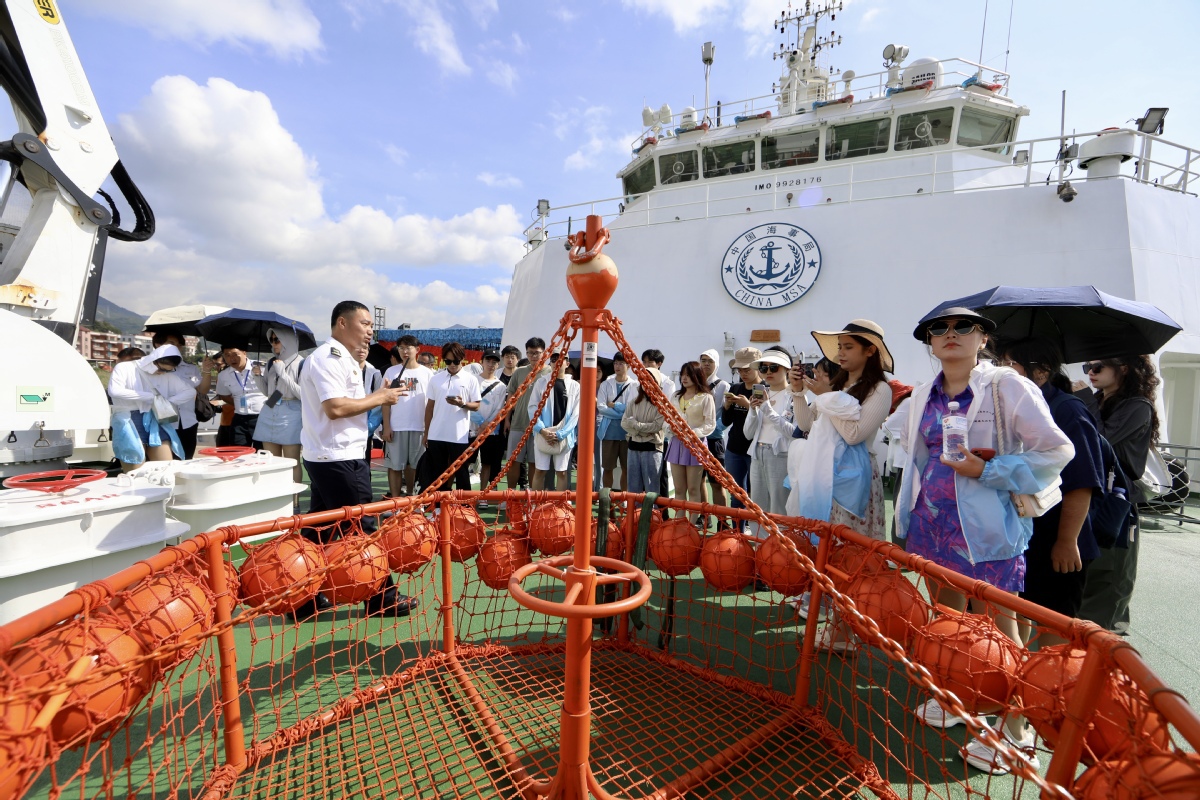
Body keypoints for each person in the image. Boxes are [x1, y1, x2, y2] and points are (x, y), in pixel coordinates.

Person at [893, 307, 1072, 772]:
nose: (950, 335)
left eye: (963, 327)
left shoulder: (1006, 386)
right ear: (929, 342)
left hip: (987, 530)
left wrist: (988, 469)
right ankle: (954, 699)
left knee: (1000, 626)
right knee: (947, 619)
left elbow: (1056, 450)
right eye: (939, 329)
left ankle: (1015, 732)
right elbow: (910, 454)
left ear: (983, 338)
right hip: (930, 526)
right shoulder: (921, 395)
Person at [298, 300, 415, 620]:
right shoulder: (327, 358)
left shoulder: (344, 360)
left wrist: (379, 393)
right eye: (365, 324)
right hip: (337, 457)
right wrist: (382, 397)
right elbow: (335, 408)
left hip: (335, 453)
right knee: (362, 526)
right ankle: (382, 597)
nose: (370, 331)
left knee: (319, 529)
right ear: (342, 323)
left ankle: (300, 596)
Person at [788, 320, 894, 648]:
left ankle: (845, 629)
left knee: (853, 558)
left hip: (854, 482)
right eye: (840, 347)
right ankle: (838, 626)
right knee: (830, 554)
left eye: (849, 346)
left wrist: (826, 396)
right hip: (823, 477)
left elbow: (854, 434)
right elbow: (807, 425)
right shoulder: (837, 386)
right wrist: (799, 394)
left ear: (870, 350)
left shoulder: (881, 389)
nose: (841, 353)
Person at [997, 339, 1104, 644]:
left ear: (1041, 371)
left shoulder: (1067, 409)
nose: (1001, 372)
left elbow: (1082, 482)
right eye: (999, 364)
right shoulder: (1013, 406)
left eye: (1009, 364)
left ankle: (1051, 689)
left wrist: (1067, 541)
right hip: (1026, 533)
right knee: (1021, 613)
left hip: (1058, 538)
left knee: (1054, 626)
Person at [1076, 355, 1160, 636]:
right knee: (1085, 575)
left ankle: (1104, 650)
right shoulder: (1100, 401)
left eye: (1098, 367)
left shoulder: (1138, 406)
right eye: (1088, 367)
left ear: (1123, 367)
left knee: (1108, 579)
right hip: (1092, 497)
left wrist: (1084, 399)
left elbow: (1099, 439)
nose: (1091, 372)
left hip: (1117, 504)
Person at [108, 345, 190, 471]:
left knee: (166, 469)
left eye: (168, 370)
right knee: (135, 470)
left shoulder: (167, 375)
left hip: (155, 419)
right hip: (128, 418)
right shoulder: (125, 367)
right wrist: (150, 397)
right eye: (162, 369)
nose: (163, 373)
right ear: (154, 360)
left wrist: (168, 402)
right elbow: (114, 391)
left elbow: (190, 392)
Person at [743, 349, 795, 533]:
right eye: (764, 368)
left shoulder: (794, 396)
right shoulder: (762, 393)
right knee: (757, 505)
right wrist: (753, 410)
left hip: (781, 455)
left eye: (774, 367)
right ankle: (761, 546)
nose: (768, 372)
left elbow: (793, 432)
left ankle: (780, 549)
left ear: (787, 369)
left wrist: (767, 409)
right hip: (757, 453)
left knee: (779, 505)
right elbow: (748, 434)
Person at [423, 342, 482, 492]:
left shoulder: (471, 379)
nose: (452, 365)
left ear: (462, 359)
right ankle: (437, 508)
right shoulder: (436, 379)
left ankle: (465, 507)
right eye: (448, 361)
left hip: (459, 435)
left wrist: (461, 404)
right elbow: (429, 408)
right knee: (437, 473)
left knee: (461, 472)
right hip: (436, 434)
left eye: (456, 361)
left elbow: (476, 405)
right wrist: (426, 433)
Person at [253, 327, 305, 496]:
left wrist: (283, 374)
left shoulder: (302, 363)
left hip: (292, 410)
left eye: (277, 339)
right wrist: (257, 377)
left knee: (292, 461)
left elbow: (303, 394)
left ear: (288, 340)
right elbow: (269, 391)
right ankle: (275, 496)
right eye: (272, 340)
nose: (274, 343)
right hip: (272, 406)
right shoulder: (271, 362)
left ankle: (294, 499)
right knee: (271, 461)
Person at [381, 334, 434, 498]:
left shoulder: (428, 373)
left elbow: (431, 404)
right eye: (401, 348)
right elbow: (385, 401)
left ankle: (411, 497)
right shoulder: (391, 372)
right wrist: (387, 427)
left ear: (417, 350)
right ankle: (396, 502)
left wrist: (428, 431)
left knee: (415, 466)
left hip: (419, 427)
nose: (404, 351)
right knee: (395, 466)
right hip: (397, 426)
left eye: (408, 348)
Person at [666, 361, 716, 521]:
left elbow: (710, 424)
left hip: (696, 445)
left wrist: (693, 433)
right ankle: (679, 522)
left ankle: (691, 527)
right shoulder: (675, 396)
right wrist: (671, 428)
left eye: (688, 374)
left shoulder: (706, 398)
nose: (684, 378)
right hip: (676, 443)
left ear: (697, 376)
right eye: (682, 374)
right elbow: (668, 417)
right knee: (679, 488)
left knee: (694, 489)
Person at [528, 352, 580, 490]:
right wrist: (542, 430)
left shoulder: (575, 386)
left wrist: (560, 434)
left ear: (567, 363)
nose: (557, 362)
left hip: (564, 436)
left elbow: (576, 414)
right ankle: (535, 505)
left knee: (562, 472)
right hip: (542, 433)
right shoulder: (541, 382)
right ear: (550, 362)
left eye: (561, 359)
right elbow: (532, 407)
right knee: (540, 470)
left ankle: (559, 507)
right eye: (554, 359)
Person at [722, 347, 761, 524]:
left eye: (747, 369)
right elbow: (726, 421)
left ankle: (752, 530)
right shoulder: (735, 387)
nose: (743, 373)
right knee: (736, 495)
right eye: (740, 370)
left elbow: (766, 421)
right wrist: (727, 406)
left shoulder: (763, 390)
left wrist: (748, 406)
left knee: (756, 494)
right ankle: (738, 532)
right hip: (734, 448)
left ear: (757, 367)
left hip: (756, 449)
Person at [504, 337, 548, 489]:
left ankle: (533, 499)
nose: (533, 356)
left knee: (535, 462)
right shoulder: (519, 372)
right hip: (518, 423)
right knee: (513, 460)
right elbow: (510, 397)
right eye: (530, 353)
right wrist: (507, 419)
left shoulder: (551, 372)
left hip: (541, 426)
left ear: (544, 353)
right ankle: (510, 495)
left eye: (536, 353)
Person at [150, 332, 202, 458]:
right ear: (158, 345)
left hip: (187, 421)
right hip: (161, 422)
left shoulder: (190, 368)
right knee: (164, 461)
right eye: (172, 344)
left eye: (179, 345)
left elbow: (197, 390)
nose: (177, 348)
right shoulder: (149, 369)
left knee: (186, 458)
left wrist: (168, 402)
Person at [470, 349, 509, 501]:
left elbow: (499, 409)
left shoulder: (501, 386)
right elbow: (468, 405)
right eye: (488, 361)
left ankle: (483, 495)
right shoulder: (472, 380)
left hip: (491, 431)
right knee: (467, 463)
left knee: (487, 463)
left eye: (494, 362)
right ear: (482, 362)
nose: (491, 365)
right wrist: (480, 423)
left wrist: (486, 425)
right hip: (471, 429)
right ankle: (464, 496)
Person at [597, 352, 637, 491]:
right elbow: (601, 407)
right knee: (607, 468)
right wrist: (622, 413)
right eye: (615, 363)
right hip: (609, 433)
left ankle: (624, 499)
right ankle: (606, 499)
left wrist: (615, 406)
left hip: (627, 433)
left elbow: (632, 409)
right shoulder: (606, 384)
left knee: (627, 468)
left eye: (621, 363)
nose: (617, 366)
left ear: (629, 366)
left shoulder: (634, 385)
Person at [215, 342, 266, 448]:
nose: (231, 358)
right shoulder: (223, 375)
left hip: (263, 417)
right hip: (239, 418)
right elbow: (224, 395)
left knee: (262, 453)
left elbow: (279, 392)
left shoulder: (263, 368)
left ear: (244, 352)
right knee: (238, 452)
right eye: (227, 355)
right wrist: (237, 404)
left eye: (235, 354)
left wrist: (270, 407)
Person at [621, 380, 666, 493]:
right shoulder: (633, 402)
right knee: (633, 486)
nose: (646, 384)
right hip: (633, 446)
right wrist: (640, 431)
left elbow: (656, 426)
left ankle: (652, 511)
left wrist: (636, 426)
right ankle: (634, 510)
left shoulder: (661, 405)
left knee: (652, 486)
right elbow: (624, 423)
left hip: (652, 447)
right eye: (644, 381)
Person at [699, 349, 730, 512]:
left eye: (709, 361)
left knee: (717, 483)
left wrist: (713, 428)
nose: (705, 364)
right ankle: (703, 518)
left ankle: (722, 522)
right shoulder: (696, 383)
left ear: (716, 364)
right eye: (703, 360)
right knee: (698, 481)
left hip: (714, 439)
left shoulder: (723, 385)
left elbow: (726, 414)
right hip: (697, 439)